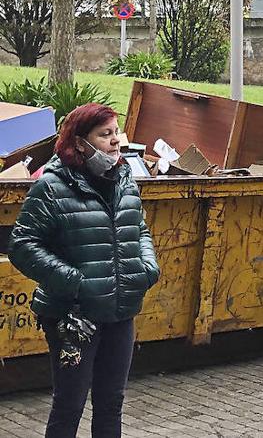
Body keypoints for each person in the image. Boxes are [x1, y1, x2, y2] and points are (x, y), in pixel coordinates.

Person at [9, 103, 160, 438]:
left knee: (111, 403)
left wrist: (147, 268)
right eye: (104, 135)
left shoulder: (124, 181)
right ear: (80, 142)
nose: (115, 141)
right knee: (70, 405)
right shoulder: (52, 187)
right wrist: (74, 282)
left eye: (116, 132)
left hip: (119, 312)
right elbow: (22, 245)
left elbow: (141, 230)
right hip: (73, 317)